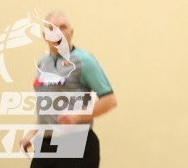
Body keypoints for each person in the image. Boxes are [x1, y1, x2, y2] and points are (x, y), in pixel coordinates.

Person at [19, 11, 117, 167]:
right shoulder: (42, 64)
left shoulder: (84, 60)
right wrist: (32, 133)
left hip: (77, 142)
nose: (58, 32)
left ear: (71, 32)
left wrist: (77, 116)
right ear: (44, 35)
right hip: (46, 144)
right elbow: (47, 107)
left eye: (63, 27)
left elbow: (110, 100)